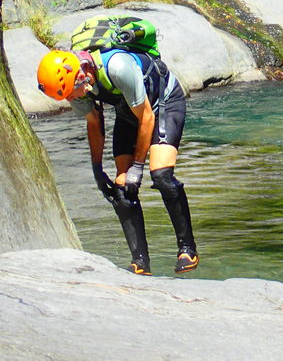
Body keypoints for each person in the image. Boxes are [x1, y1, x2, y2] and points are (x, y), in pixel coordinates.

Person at [36, 48, 198, 276]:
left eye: (72, 92)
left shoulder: (118, 68)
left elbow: (148, 117)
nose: (72, 99)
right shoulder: (77, 85)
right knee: (121, 187)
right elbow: (94, 123)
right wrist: (97, 170)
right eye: (67, 96)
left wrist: (138, 167)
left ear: (83, 75)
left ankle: (187, 249)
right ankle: (140, 263)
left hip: (163, 103)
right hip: (129, 112)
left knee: (161, 175)